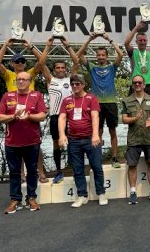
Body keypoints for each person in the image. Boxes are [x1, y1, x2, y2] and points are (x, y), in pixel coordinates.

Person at [0, 37, 49, 183]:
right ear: (12, 63)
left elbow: (42, 62)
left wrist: (31, 46)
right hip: (13, 115)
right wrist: (6, 44)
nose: (20, 64)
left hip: (30, 113)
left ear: (25, 63)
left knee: (36, 146)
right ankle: (22, 175)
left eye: (22, 61)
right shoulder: (9, 75)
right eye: (17, 61)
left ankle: (41, 172)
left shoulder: (30, 73)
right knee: (18, 146)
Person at [0, 71, 46, 214]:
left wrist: (29, 116)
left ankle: (31, 198)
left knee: (32, 171)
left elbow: (42, 115)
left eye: (24, 79)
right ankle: (15, 200)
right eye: (19, 79)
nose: (21, 82)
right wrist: (13, 116)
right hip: (12, 142)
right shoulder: (8, 96)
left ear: (30, 82)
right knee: (14, 172)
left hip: (32, 141)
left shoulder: (37, 95)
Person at [58, 74, 108, 207]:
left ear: (83, 84)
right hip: (73, 140)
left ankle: (101, 193)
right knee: (77, 169)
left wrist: (96, 135)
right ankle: (82, 195)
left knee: (97, 167)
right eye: (73, 84)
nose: (75, 86)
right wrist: (62, 135)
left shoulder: (91, 98)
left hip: (90, 139)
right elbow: (62, 118)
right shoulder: (67, 100)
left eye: (78, 84)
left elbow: (95, 116)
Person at [77, 32, 124, 168]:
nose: (101, 57)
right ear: (96, 57)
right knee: (98, 132)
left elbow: (120, 54)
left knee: (112, 131)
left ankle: (115, 158)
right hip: (96, 104)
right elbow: (79, 54)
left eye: (103, 55)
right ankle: (98, 159)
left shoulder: (111, 67)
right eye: (99, 55)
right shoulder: (92, 67)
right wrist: (89, 39)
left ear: (107, 56)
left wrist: (109, 39)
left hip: (111, 103)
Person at [41, 37, 79, 184]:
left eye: (63, 68)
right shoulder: (50, 80)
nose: (61, 70)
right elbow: (41, 63)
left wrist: (67, 45)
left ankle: (76, 169)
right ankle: (58, 171)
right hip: (56, 117)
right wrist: (48, 45)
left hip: (70, 116)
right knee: (57, 144)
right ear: (54, 70)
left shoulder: (71, 80)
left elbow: (76, 62)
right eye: (58, 68)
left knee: (73, 143)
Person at [122, 75, 150, 204]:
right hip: (134, 139)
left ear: (144, 85)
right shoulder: (126, 101)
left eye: (140, 82)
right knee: (132, 165)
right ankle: (133, 192)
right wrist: (134, 119)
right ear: (132, 85)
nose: (137, 84)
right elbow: (124, 119)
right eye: (135, 83)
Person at [124, 19, 150, 96]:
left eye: (144, 40)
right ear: (136, 42)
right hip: (135, 83)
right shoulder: (133, 52)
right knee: (131, 107)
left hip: (148, 83)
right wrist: (136, 28)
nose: (143, 42)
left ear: (147, 41)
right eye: (140, 40)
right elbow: (126, 43)